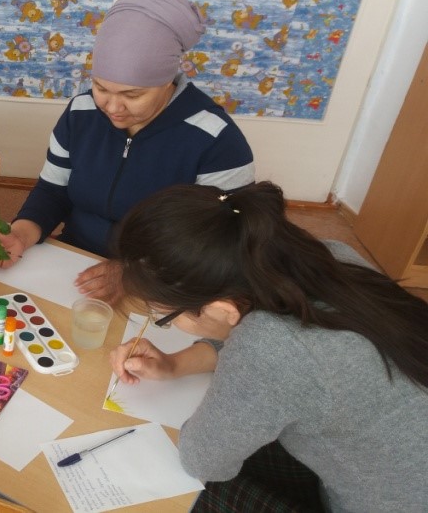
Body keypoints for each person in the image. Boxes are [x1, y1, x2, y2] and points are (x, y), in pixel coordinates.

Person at [108, 181, 428, 512]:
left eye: (162, 315)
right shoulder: (328, 255)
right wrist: (175, 364)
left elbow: (202, 460)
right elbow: (288, 353)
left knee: (196, 496)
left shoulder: (271, 348)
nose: (165, 322)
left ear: (222, 309)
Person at [0, 0, 254, 303]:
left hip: (166, 281)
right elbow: (53, 190)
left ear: (168, 79)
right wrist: (21, 233)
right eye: (101, 87)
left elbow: (225, 242)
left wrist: (135, 273)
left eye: (132, 95)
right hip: (74, 261)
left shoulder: (217, 140)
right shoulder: (81, 112)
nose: (113, 107)